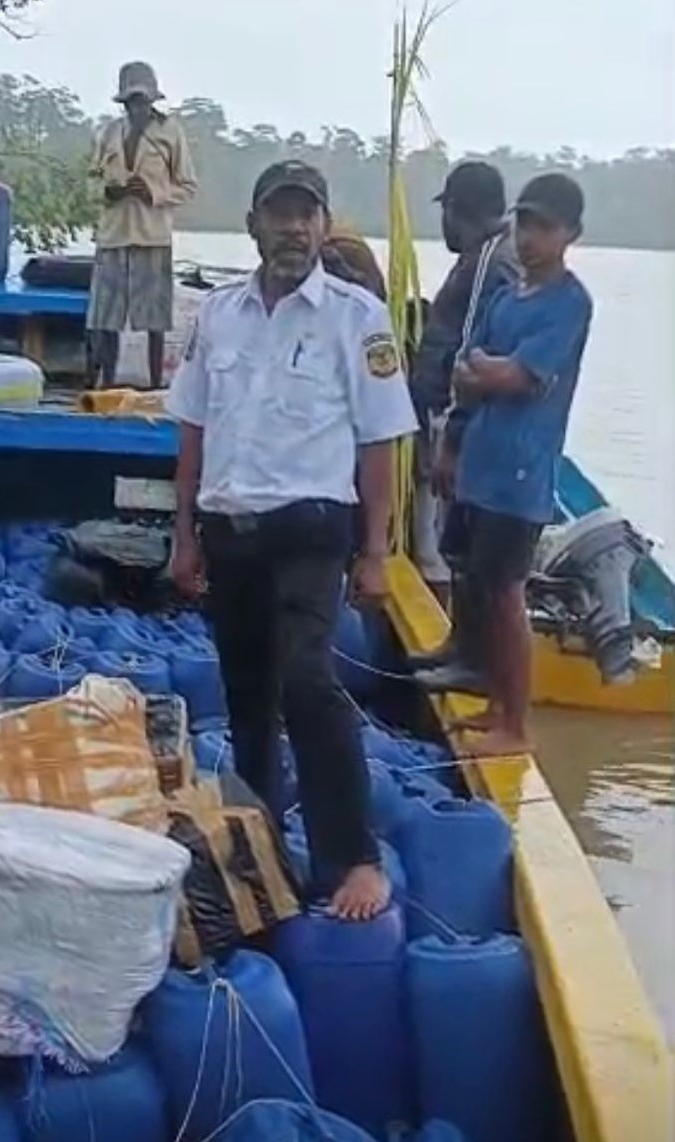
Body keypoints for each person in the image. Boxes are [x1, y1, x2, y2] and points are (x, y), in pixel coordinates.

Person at [166, 161, 418, 920]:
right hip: (230, 529)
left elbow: (381, 440)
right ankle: (259, 839)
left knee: (309, 677)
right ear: (253, 225)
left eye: (307, 214)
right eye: (279, 214)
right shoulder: (218, 314)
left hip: (313, 530)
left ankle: (353, 855)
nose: (294, 228)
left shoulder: (356, 315)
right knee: (248, 698)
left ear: (324, 222)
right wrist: (183, 533)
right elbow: (193, 426)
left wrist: (375, 550)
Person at [442, 173, 592, 757]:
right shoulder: (507, 295)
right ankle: (494, 706)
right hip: (481, 462)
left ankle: (516, 726)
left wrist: (488, 372)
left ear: (571, 234)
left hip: (522, 474)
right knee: (479, 586)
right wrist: (484, 377)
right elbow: (465, 366)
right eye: (524, 223)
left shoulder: (570, 302)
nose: (529, 238)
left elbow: (514, 376)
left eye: (544, 227)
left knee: (507, 596)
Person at [409, 161, 518, 685]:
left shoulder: (487, 264)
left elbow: (471, 350)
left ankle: (475, 660)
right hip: (466, 420)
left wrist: (451, 433)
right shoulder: (494, 257)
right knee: (457, 543)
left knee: (469, 547)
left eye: (447, 211)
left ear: (459, 210)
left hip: (463, 421)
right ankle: (461, 644)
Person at [87, 61, 197, 391]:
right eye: (132, 102)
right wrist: (109, 191)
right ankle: (105, 384)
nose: (138, 107)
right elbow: (90, 180)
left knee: (154, 320)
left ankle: (152, 385)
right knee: (106, 319)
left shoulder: (170, 133)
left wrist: (154, 193)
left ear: (152, 100)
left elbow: (188, 186)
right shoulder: (108, 133)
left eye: (142, 101)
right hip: (113, 235)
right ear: (124, 103)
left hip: (153, 236)